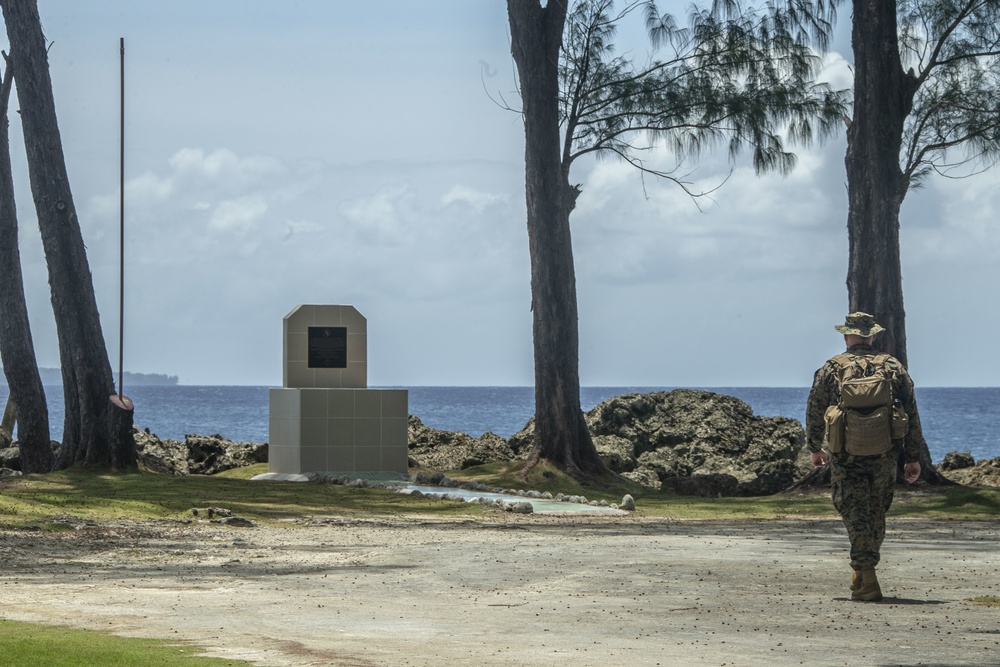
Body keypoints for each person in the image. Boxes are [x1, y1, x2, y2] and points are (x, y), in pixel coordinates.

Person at [806, 312, 924, 602]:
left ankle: (866, 574)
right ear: (872, 336)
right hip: (885, 453)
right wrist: (912, 457)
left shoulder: (831, 368)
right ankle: (863, 573)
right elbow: (911, 414)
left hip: (845, 453)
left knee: (853, 510)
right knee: (875, 511)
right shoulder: (894, 367)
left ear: (847, 336)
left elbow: (814, 410)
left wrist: (814, 448)